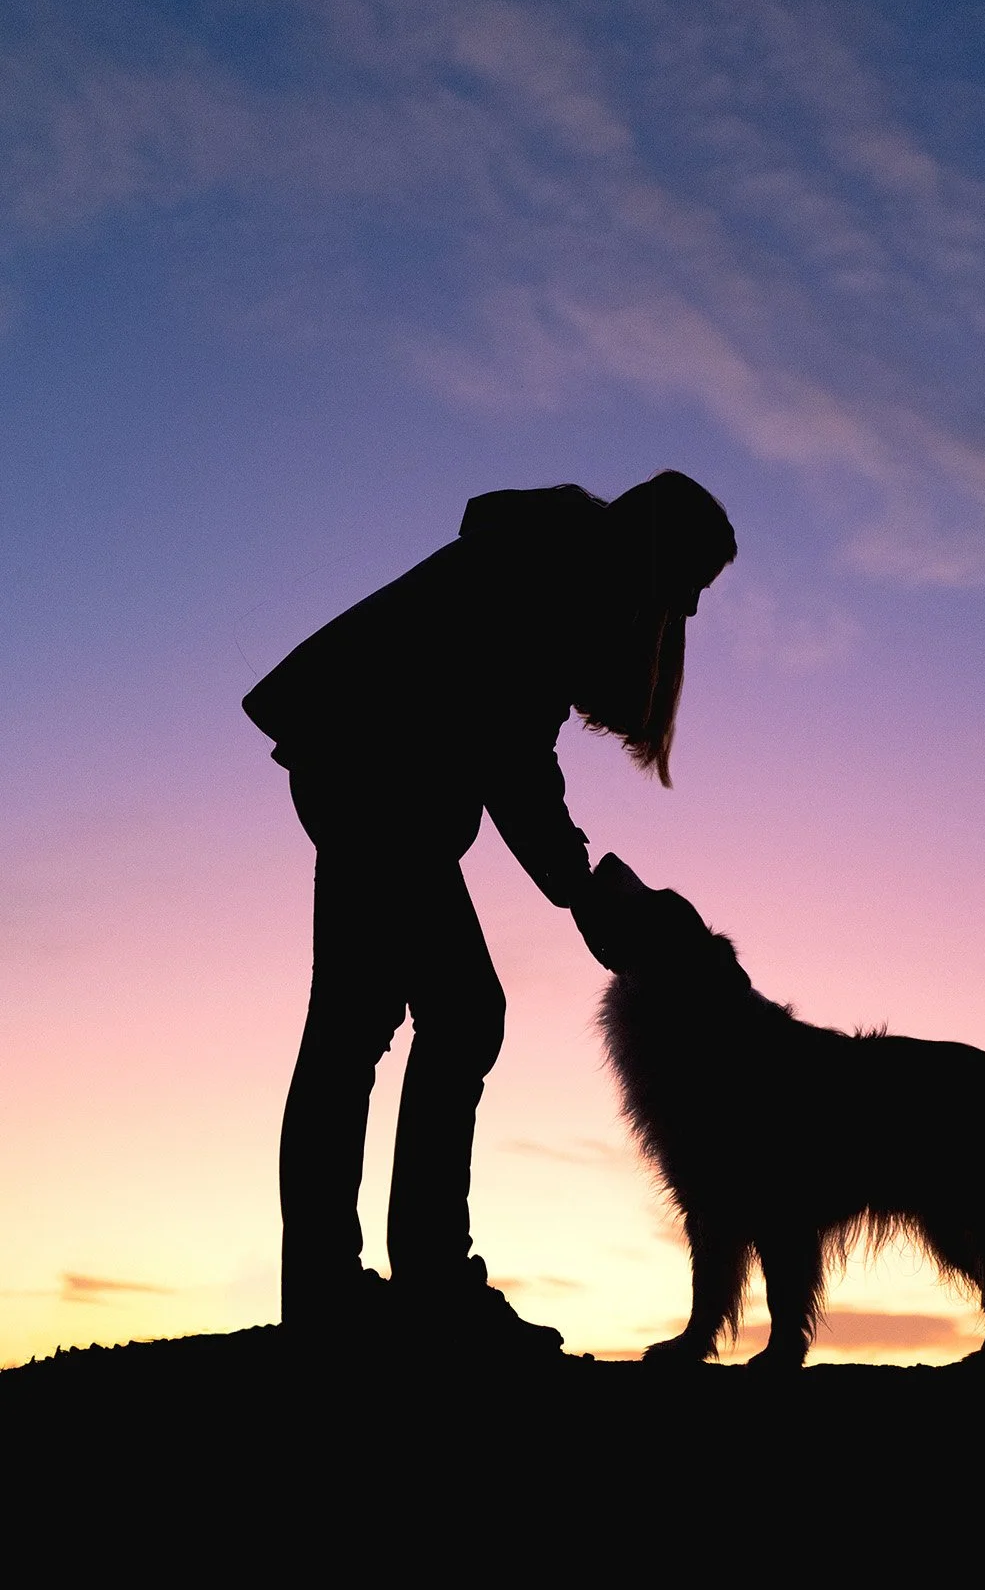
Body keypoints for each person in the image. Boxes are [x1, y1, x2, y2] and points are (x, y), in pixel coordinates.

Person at [243, 470, 736, 1353]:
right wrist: (577, 887)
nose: (689, 612)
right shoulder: (557, 572)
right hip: (371, 770)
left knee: (379, 1022)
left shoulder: (557, 563)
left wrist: (574, 881)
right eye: (694, 583)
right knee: (437, 1017)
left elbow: (510, 744)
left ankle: (361, 1284)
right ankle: (410, 1283)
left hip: (372, 772)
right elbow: (511, 755)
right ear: (661, 547)